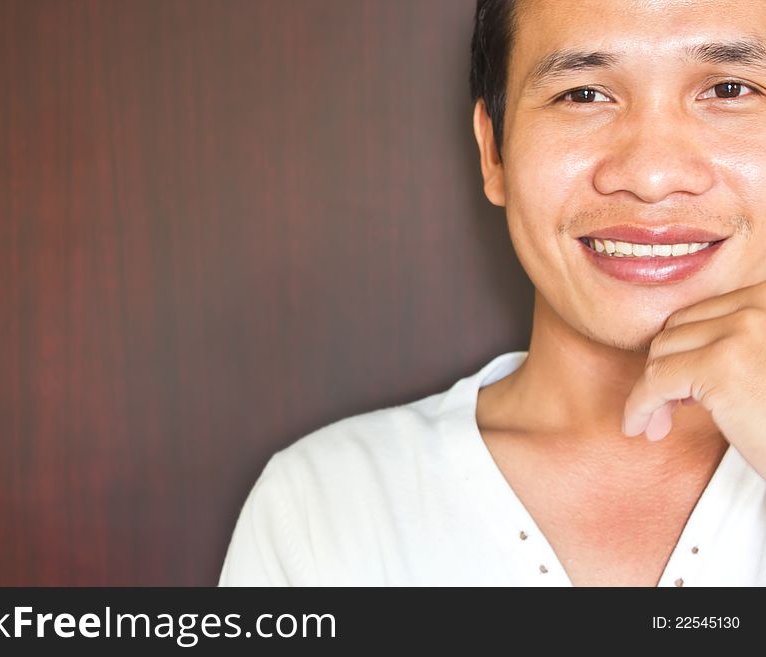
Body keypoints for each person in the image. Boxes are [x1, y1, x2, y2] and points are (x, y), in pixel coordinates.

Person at [218, 0, 766, 586]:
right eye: (582, 95)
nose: (652, 176)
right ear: (494, 152)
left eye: (731, 89)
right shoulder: (324, 507)